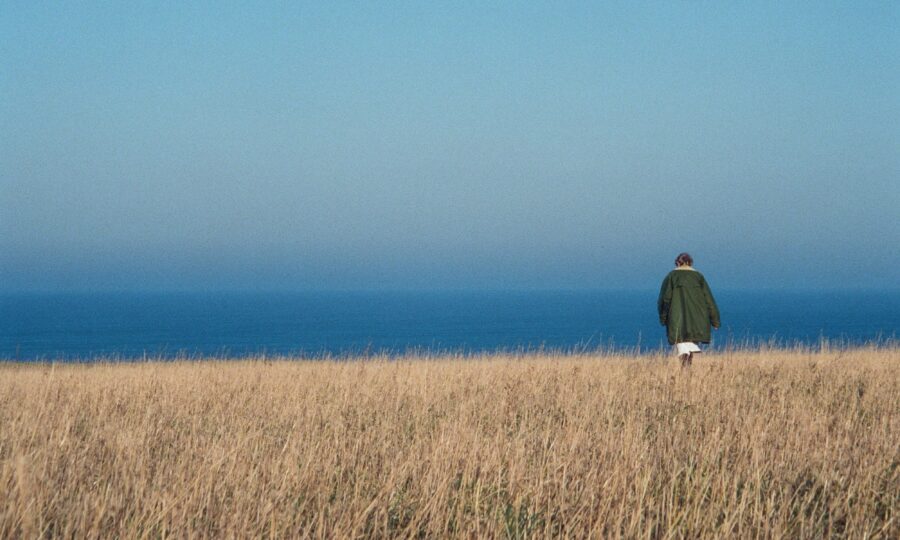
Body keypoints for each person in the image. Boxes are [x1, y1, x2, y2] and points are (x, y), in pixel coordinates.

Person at [657, 252, 720, 367]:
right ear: (690, 263)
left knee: (681, 345)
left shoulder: (671, 277)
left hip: (676, 319)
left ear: (677, 262)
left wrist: (663, 318)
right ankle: (687, 370)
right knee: (690, 344)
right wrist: (715, 320)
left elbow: (664, 300)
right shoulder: (699, 277)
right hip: (697, 318)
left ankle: (685, 371)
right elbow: (709, 300)